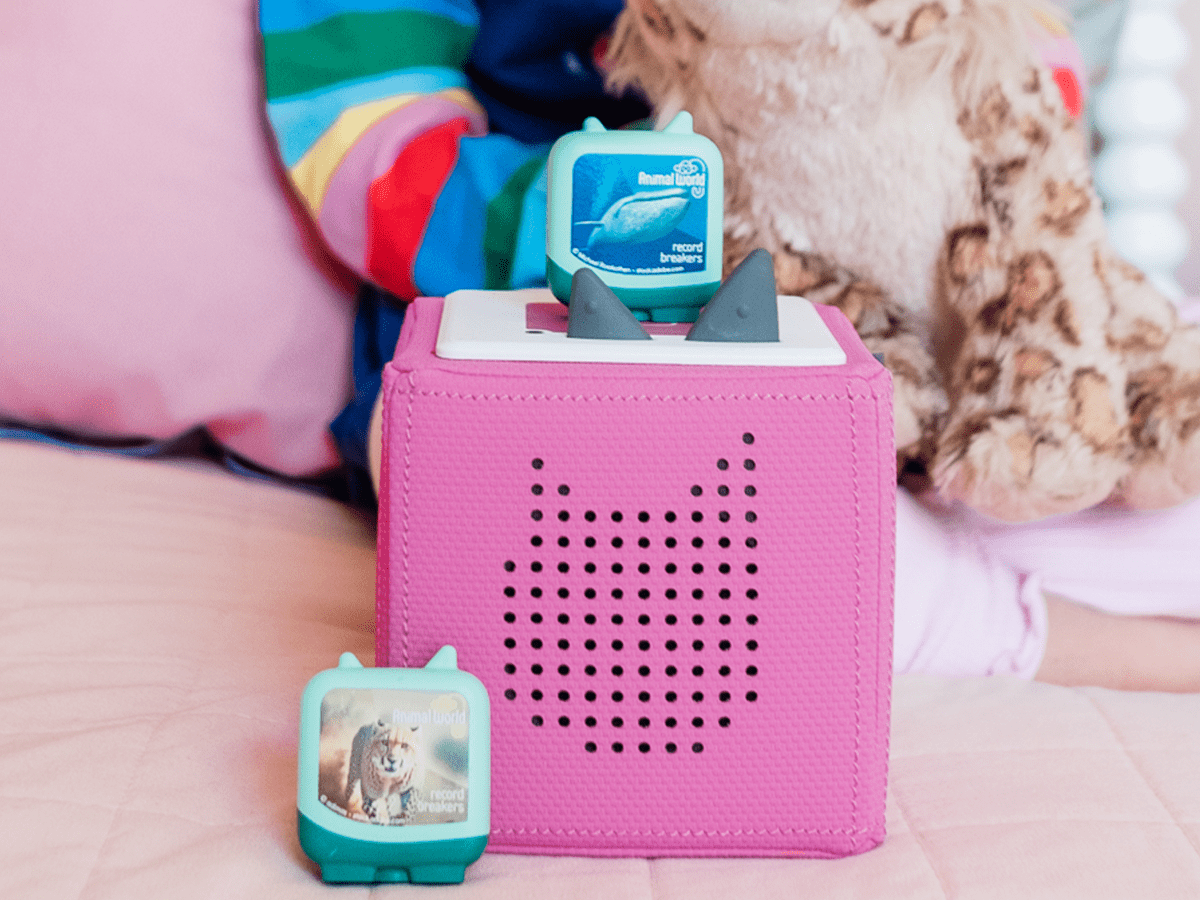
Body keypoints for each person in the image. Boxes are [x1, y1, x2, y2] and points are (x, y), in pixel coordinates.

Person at [260, 0, 1200, 692]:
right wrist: (704, 217)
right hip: (548, 330)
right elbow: (375, 164)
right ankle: (1041, 629)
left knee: (1140, 438)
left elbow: (1010, 67)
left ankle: (963, 541)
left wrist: (904, 194)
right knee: (671, 562)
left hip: (939, 322)